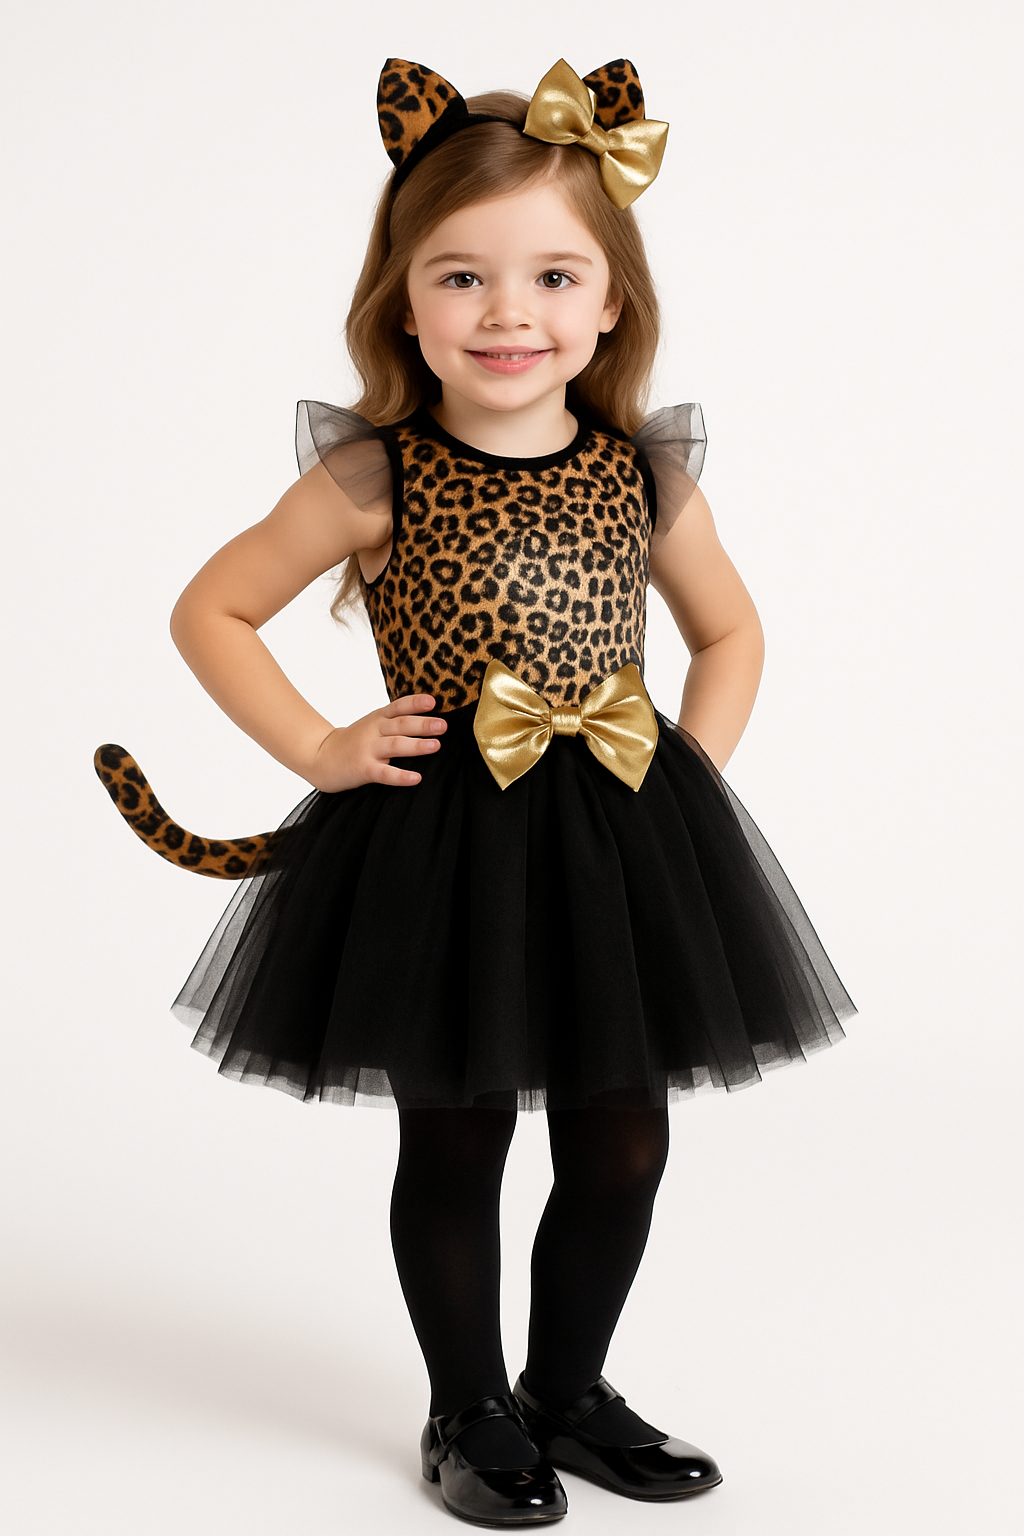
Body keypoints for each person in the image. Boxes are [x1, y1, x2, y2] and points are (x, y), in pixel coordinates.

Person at [95, 56, 857, 1527]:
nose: (510, 313)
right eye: (462, 277)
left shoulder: (642, 475)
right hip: (444, 844)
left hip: (617, 840)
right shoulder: (378, 476)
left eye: (554, 276)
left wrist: (687, 779)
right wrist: (321, 749)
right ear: (403, 303)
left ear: (613, 303)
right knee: (458, 1131)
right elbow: (212, 609)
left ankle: (570, 1390)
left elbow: (732, 633)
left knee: (625, 1136)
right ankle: (468, 1407)